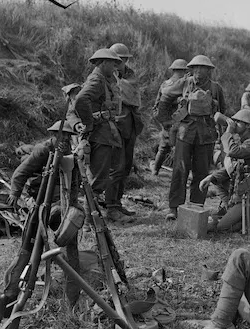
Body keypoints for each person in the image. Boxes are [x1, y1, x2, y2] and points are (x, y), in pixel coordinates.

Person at [7, 120, 82, 305]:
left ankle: (71, 295)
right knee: (29, 249)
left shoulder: (69, 155)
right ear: (53, 135)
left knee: (69, 244)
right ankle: (12, 294)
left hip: (61, 204)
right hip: (41, 204)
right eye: (61, 135)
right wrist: (15, 195)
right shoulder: (43, 150)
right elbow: (19, 173)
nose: (65, 139)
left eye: (68, 136)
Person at [166, 55, 226, 220]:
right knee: (180, 171)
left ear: (209, 70)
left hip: (206, 135)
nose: (199, 71)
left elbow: (222, 112)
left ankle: (195, 207)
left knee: (201, 172)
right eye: (196, 68)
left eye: (203, 68)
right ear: (191, 69)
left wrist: (222, 137)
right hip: (184, 132)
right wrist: (167, 122)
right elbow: (165, 96)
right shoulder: (184, 83)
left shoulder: (215, 88)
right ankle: (174, 208)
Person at [199, 109, 250, 232]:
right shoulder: (244, 143)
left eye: (238, 122)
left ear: (248, 125)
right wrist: (211, 177)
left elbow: (233, 151)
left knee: (223, 228)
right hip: (244, 193)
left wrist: (229, 131)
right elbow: (233, 167)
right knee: (218, 182)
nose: (233, 123)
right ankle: (234, 211)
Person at [73, 48, 125, 222]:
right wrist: (89, 122)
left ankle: (93, 218)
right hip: (100, 135)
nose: (115, 67)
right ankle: (89, 222)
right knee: (96, 180)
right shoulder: (96, 79)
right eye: (112, 63)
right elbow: (80, 100)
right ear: (103, 63)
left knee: (103, 176)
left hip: (106, 133)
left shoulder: (105, 79)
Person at [104, 43, 143, 220]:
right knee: (116, 167)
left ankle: (117, 204)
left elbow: (134, 95)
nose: (122, 63)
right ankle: (111, 207)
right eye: (118, 60)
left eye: (124, 60)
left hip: (130, 124)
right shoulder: (106, 76)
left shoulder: (130, 75)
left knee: (126, 167)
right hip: (115, 126)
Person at [152, 59, 189, 176]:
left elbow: (157, 102)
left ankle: (155, 170)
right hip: (179, 119)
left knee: (163, 147)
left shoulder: (165, 83)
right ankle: (180, 174)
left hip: (166, 119)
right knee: (181, 148)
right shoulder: (184, 84)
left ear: (173, 70)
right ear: (184, 70)